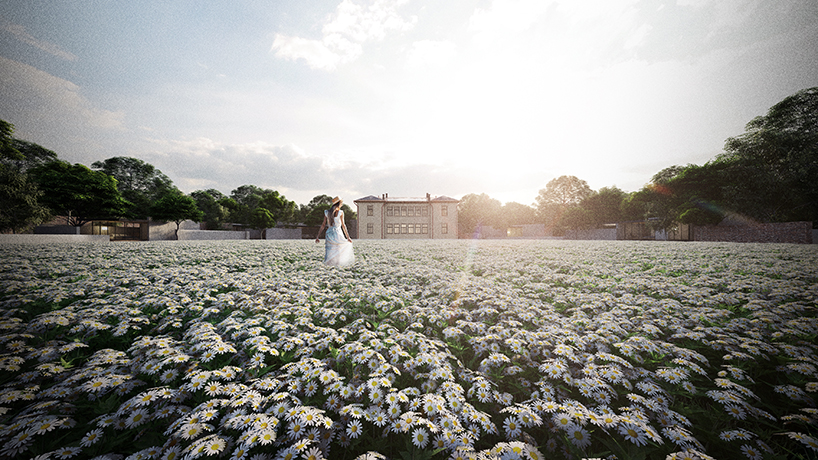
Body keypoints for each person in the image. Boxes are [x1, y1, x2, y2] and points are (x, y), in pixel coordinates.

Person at [315, 197, 354, 267]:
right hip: (338, 233)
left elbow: (323, 225)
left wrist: (318, 236)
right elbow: (343, 225)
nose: (342, 205)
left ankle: (328, 266)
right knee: (338, 251)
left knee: (329, 251)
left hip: (329, 233)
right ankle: (337, 266)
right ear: (339, 204)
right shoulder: (340, 212)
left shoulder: (326, 212)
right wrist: (348, 237)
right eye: (341, 203)